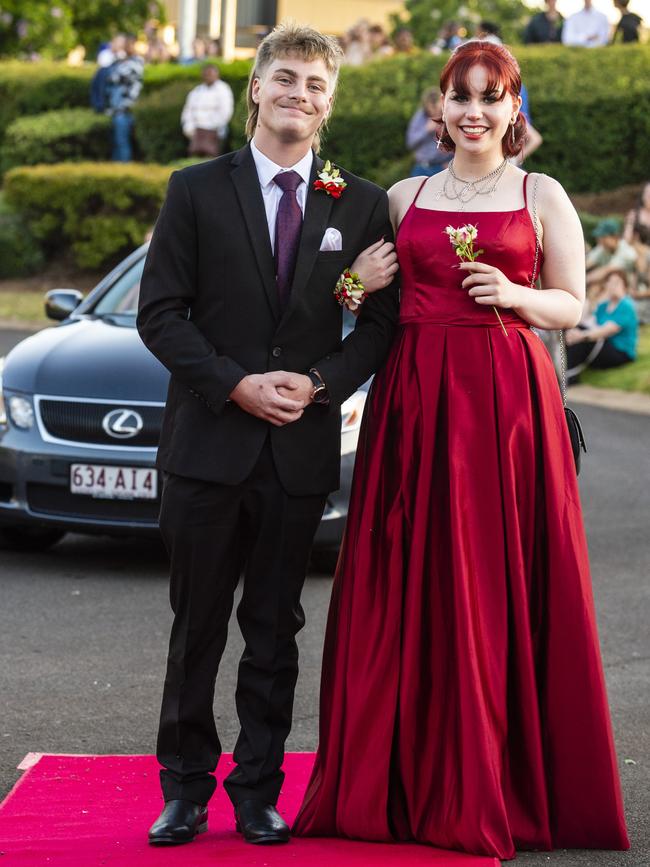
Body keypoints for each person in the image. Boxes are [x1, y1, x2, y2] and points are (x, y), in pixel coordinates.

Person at [294, 39, 630, 860]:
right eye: (460, 95)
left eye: (492, 95)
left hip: (507, 410)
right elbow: (346, 295)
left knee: (496, 574)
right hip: (413, 404)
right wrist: (354, 285)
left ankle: (502, 778)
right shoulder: (404, 196)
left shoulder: (540, 192)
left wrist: (515, 293)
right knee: (413, 575)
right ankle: (406, 776)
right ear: (438, 110)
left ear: (516, 108)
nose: (475, 110)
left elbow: (572, 304)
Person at [137, 22, 399, 849]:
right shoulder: (193, 188)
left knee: (276, 631)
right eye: (286, 79)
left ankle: (258, 789)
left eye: (316, 86)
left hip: (297, 453)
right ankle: (183, 789)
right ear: (256, 88)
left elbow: (379, 325)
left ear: (330, 102)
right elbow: (160, 315)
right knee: (197, 627)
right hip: (209, 447)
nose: (300, 95)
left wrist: (320, 383)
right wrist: (234, 383)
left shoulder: (358, 201)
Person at [566, 268, 638, 382]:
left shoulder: (626, 305)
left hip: (620, 352)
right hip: (603, 348)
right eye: (609, 282)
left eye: (616, 282)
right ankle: (562, 371)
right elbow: (590, 323)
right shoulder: (603, 306)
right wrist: (574, 332)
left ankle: (570, 376)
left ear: (624, 285)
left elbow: (608, 330)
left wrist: (581, 336)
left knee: (583, 339)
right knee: (574, 331)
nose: (612, 286)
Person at [181, 63, 234, 158]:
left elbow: (225, 112)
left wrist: (208, 128)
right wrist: (189, 127)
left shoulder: (223, 89)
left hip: (214, 131)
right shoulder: (196, 91)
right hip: (195, 132)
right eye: (206, 74)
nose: (208, 76)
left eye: (211, 74)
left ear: (217, 75)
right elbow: (188, 111)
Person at [106, 34, 144, 162]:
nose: (126, 47)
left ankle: (123, 170)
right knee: (116, 143)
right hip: (117, 109)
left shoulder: (135, 63)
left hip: (125, 110)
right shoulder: (122, 61)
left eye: (128, 44)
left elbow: (115, 78)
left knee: (122, 143)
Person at [405, 87, 452, 177]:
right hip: (421, 168)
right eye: (431, 110)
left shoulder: (450, 116)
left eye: (438, 110)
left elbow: (460, 142)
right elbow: (410, 143)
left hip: (442, 168)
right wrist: (426, 130)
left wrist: (451, 162)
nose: (435, 114)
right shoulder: (419, 118)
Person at [586, 218, 637, 288]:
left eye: (603, 237)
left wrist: (582, 281)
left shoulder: (627, 252)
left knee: (612, 278)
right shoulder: (603, 248)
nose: (600, 240)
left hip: (630, 293)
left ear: (615, 237)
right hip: (609, 289)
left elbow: (606, 270)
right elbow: (588, 263)